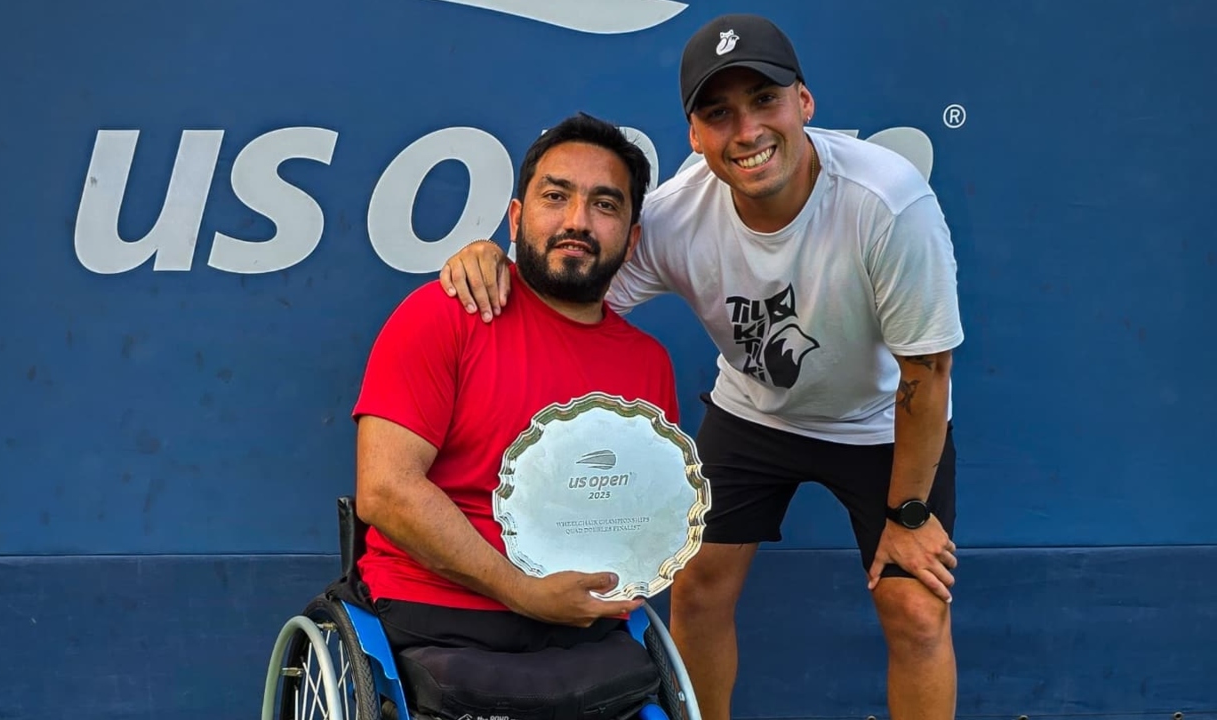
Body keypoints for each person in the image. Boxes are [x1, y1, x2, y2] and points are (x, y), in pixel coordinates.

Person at [436, 13, 964, 720]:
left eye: (764, 102)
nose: (746, 132)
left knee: (915, 610)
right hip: (754, 415)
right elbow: (566, 296)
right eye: (719, 114)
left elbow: (926, 374)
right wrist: (490, 258)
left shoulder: (887, 203)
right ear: (694, 135)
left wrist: (909, 512)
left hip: (882, 422)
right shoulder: (677, 215)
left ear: (803, 102)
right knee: (699, 588)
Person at [351, 112, 681, 655]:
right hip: (438, 617)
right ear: (516, 217)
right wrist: (523, 592)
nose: (577, 220)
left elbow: (643, 516)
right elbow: (386, 491)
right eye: (556, 197)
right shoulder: (442, 314)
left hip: (583, 631)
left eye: (604, 205)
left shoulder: (649, 365)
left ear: (631, 237)